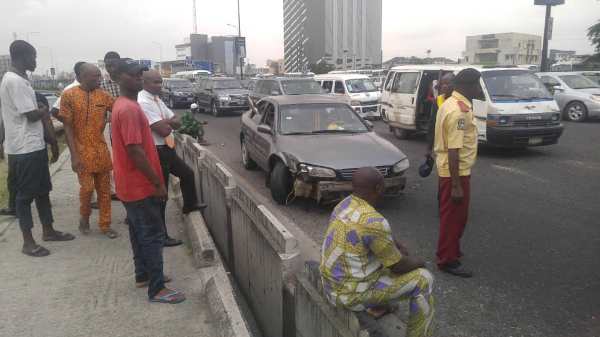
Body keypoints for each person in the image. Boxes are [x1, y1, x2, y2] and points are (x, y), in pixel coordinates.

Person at [320, 167, 434, 337]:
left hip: (330, 285)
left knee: (377, 258)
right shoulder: (375, 222)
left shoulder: (344, 204)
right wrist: (420, 262)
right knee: (424, 279)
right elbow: (398, 266)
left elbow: (370, 233)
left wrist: (394, 243)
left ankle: (379, 306)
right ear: (379, 188)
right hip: (348, 297)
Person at [111, 58, 185, 304]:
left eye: (139, 75)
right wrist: (157, 182)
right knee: (152, 235)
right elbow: (135, 150)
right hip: (140, 185)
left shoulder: (122, 105)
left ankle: (143, 274)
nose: (137, 79)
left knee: (137, 232)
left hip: (128, 184)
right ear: (118, 77)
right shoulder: (130, 109)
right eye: (132, 75)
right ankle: (157, 288)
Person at [0, 40, 75, 257]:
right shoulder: (15, 81)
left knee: (42, 191)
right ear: (23, 56)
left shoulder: (19, 80)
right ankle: (28, 241)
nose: (35, 61)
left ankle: (49, 230)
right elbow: (31, 114)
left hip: (30, 145)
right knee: (25, 196)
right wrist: (43, 109)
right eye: (33, 57)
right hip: (25, 149)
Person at [138, 70, 206, 247]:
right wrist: (167, 123)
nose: (159, 85)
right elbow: (164, 130)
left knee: (187, 174)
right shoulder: (143, 101)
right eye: (155, 82)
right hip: (157, 150)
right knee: (161, 194)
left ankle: (189, 206)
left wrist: (165, 122)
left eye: (160, 82)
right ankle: (161, 236)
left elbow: (176, 120)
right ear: (144, 83)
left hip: (167, 147)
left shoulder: (156, 99)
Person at [59, 63, 118, 239]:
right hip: (82, 151)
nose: (99, 79)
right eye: (95, 76)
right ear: (82, 77)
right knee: (86, 189)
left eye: (99, 75)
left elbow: (120, 111)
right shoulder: (69, 95)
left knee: (105, 190)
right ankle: (84, 218)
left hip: (101, 151)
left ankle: (105, 225)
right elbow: (67, 127)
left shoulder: (104, 96)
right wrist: (74, 156)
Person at [433, 68, 482, 278]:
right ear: (468, 86)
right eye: (478, 85)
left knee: (456, 217)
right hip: (455, 172)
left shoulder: (451, 103)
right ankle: (447, 260)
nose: (480, 89)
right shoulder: (458, 111)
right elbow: (454, 149)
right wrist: (456, 185)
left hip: (454, 170)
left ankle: (450, 249)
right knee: (453, 218)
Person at [0, 91, 59, 217]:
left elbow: (46, 121)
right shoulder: (8, 97)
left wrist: (53, 143)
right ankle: (14, 206)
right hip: (16, 147)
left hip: (32, 147)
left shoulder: (35, 98)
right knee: (14, 179)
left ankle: (30, 208)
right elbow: (4, 123)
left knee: (34, 182)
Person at [426, 72, 456, 157]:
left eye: (447, 83)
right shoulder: (438, 101)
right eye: (442, 84)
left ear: (454, 85)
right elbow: (432, 125)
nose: (444, 86)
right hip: (441, 148)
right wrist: (429, 148)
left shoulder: (458, 102)